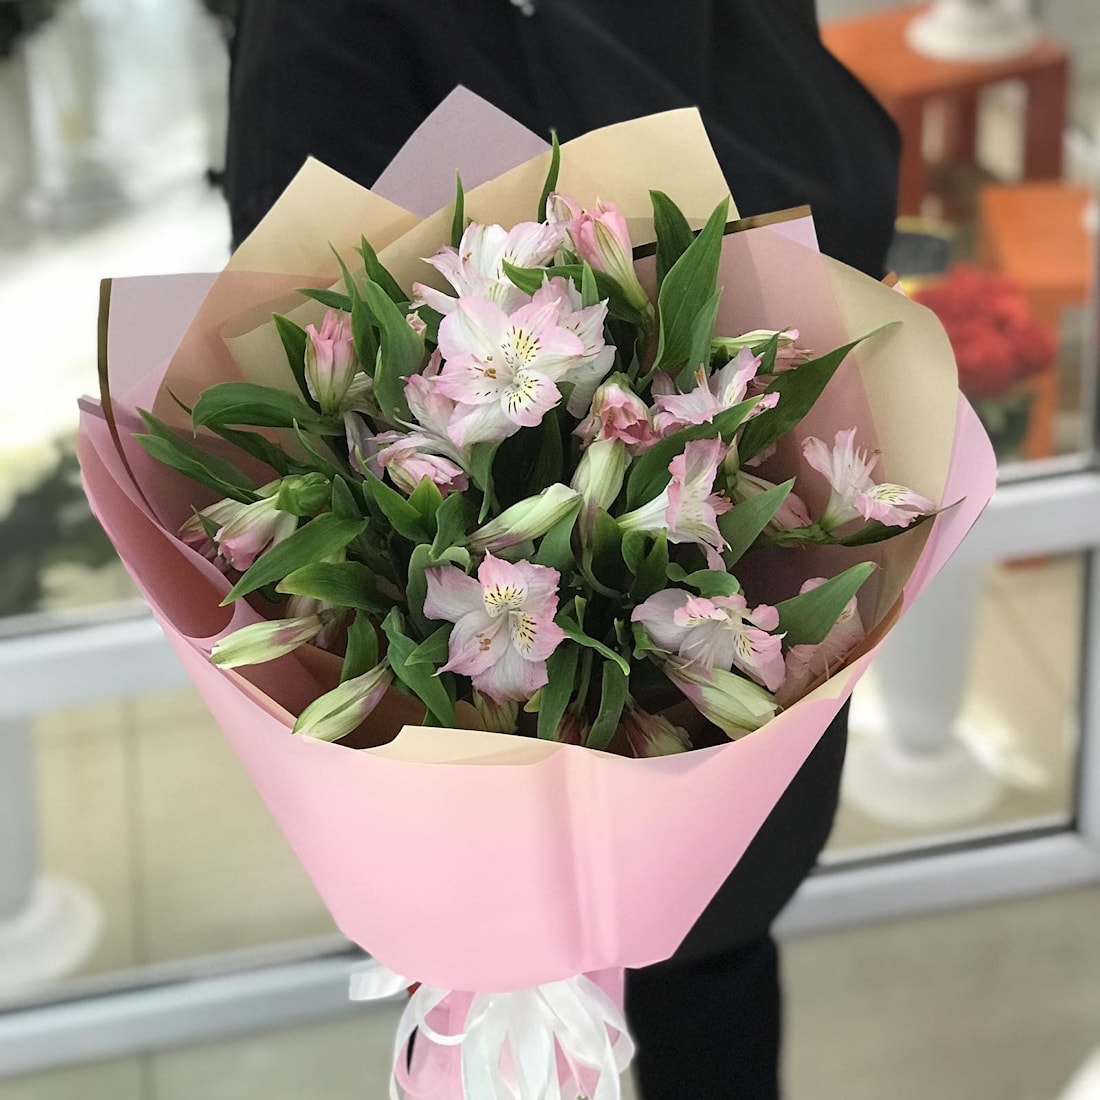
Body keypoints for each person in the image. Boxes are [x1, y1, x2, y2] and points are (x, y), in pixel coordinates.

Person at [222, 3, 900, 1096]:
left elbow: (298, 324)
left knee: (678, 969)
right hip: (606, 632)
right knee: (668, 978)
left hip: (675, 634)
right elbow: (303, 333)